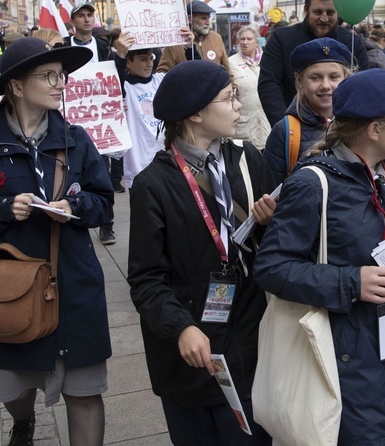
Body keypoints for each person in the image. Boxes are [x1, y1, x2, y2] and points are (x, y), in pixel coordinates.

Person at [253, 69, 385, 445]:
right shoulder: (313, 184)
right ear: (375, 130)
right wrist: (351, 282)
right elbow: (271, 267)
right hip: (339, 355)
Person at [0, 37, 114, 446]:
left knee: (85, 392)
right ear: (17, 87)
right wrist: (6, 208)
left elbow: (103, 204)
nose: (61, 84)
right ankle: (23, 423)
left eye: (62, 75)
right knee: (16, 391)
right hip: (10, 287)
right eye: (49, 76)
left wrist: (73, 206)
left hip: (74, 283)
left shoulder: (75, 138)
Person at [127, 60, 276, 445]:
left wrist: (269, 221)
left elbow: (275, 244)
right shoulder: (153, 186)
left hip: (251, 330)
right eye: (229, 98)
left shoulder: (248, 159)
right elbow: (146, 279)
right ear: (195, 113)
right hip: (192, 350)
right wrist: (181, 328)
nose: (239, 105)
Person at [65, 1, 124, 245]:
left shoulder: (103, 47)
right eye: (82, 16)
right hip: (72, 118)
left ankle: (106, 224)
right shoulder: (63, 46)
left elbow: (115, 79)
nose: (87, 19)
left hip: (101, 121)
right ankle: (71, 215)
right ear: (73, 21)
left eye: (90, 15)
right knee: (71, 171)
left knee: (102, 174)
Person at [258, 0, 370, 127]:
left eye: (330, 12)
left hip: (343, 129)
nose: (324, 18)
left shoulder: (352, 42)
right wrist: (286, 127)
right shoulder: (281, 39)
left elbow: (364, 86)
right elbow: (268, 85)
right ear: (306, 10)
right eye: (318, 12)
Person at [263, 37, 352, 184]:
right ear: (299, 81)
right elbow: (270, 191)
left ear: (346, 78)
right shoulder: (286, 132)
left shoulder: (358, 125)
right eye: (315, 78)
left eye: (334, 77)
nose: (325, 85)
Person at [157, 1, 232, 79]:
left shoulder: (216, 38)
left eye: (208, 18)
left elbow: (227, 68)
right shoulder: (176, 40)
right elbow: (162, 72)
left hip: (214, 90)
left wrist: (233, 87)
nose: (208, 22)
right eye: (203, 18)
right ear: (189, 19)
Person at [229, 25, 271, 150]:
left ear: (257, 41)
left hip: (268, 124)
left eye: (249, 39)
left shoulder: (269, 60)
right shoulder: (231, 63)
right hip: (244, 128)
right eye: (242, 39)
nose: (245, 42)